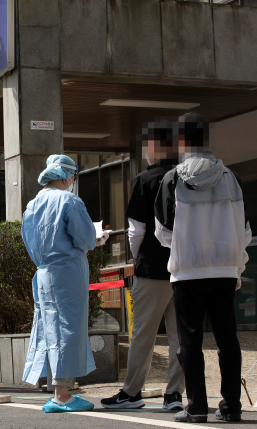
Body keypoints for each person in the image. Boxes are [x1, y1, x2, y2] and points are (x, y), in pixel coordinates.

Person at [155, 113, 250, 424]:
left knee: (190, 341)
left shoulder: (172, 179)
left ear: (181, 142)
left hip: (188, 271)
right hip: (224, 269)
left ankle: (196, 406)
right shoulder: (231, 177)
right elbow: (244, 229)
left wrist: (186, 245)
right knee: (228, 340)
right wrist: (237, 267)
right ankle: (231, 406)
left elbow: (163, 232)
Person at [102, 123, 185, 411]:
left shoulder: (145, 179)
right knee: (181, 334)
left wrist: (137, 258)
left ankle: (132, 392)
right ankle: (174, 394)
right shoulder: (187, 177)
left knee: (144, 333)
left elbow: (136, 230)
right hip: (188, 268)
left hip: (153, 267)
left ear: (154, 148)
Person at [22, 154, 106, 413]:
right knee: (69, 329)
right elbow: (85, 239)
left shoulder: (32, 205)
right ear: (68, 176)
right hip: (68, 272)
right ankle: (62, 394)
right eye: (73, 177)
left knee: (48, 329)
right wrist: (98, 238)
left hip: (44, 273)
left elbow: (29, 242)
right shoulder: (69, 200)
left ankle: (56, 390)